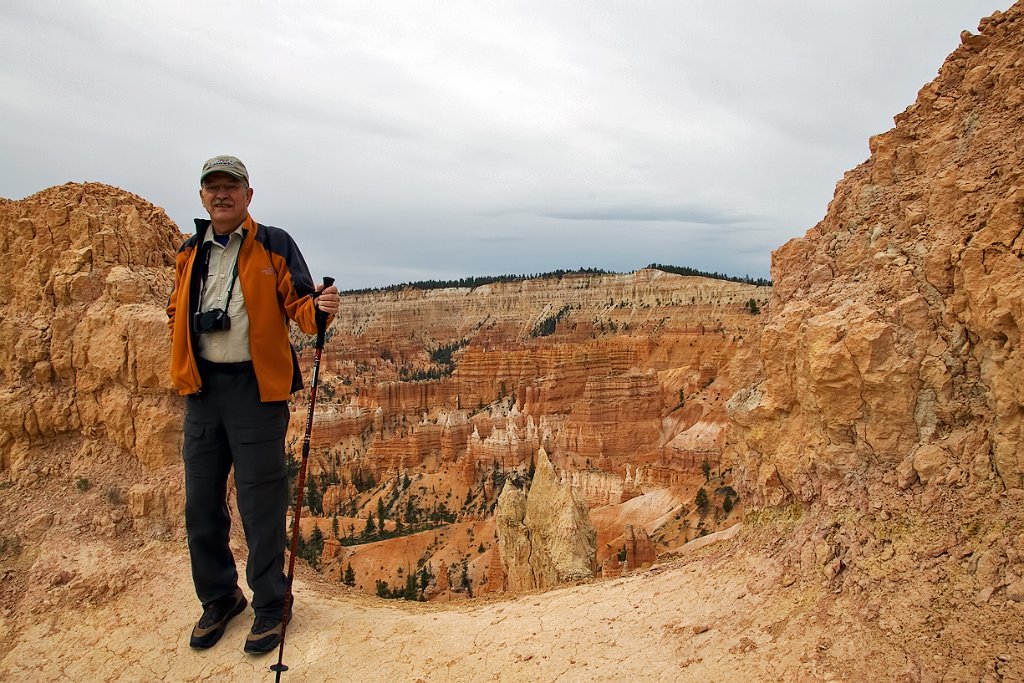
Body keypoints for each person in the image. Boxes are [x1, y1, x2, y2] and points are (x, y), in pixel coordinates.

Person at [166, 155, 339, 654]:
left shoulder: (274, 244)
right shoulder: (188, 251)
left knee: (261, 502)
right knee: (200, 502)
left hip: (255, 390)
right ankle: (220, 598)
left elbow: (303, 311)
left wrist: (321, 306)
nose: (222, 195)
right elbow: (177, 308)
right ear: (202, 196)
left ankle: (270, 605)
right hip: (202, 389)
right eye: (213, 188)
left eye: (231, 187)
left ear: (248, 195)